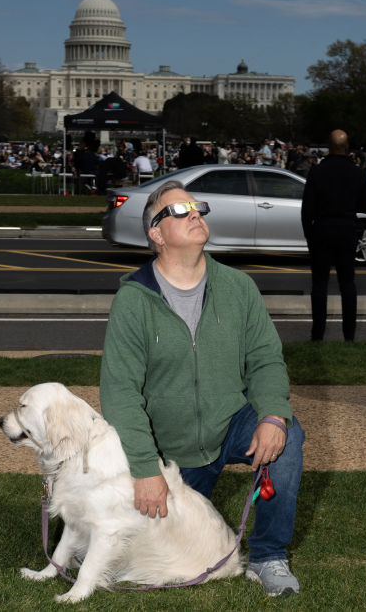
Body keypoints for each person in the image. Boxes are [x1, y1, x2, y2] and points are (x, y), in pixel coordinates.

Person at [99, 180, 305, 598]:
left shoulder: (238, 287)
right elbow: (120, 392)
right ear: (156, 234)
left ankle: (267, 557)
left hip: (229, 423)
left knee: (289, 435)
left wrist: (272, 416)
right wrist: (145, 470)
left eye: (196, 206)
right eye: (179, 210)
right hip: (169, 453)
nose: (194, 213)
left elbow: (265, 360)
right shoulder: (134, 300)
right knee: (142, 547)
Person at [300, 129, 366, 342]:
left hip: (321, 229)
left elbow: (307, 210)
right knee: (347, 284)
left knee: (319, 285)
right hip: (347, 229)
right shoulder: (357, 172)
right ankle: (348, 335)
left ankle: (317, 335)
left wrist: (309, 236)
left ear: (328, 147)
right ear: (347, 146)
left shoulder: (317, 171)